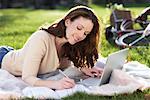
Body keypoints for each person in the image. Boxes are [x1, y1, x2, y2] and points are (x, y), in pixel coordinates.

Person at [0, 6, 102, 90]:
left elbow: (65, 66)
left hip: (16, 53)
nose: (81, 35)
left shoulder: (68, 45)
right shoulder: (41, 38)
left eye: (85, 33)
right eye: (79, 28)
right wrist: (55, 84)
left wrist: (83, 69)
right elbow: (28, 78)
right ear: (67, 22)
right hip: (3, 58)